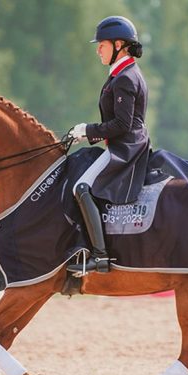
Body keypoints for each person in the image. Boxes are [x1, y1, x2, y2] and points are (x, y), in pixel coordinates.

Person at [67, 16, 151, 275]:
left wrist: (87, 130)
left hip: (125, 148)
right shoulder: (123, 74)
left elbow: (122, 125)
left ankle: (100, 256)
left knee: (82, 188)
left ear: (118, 45)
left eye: (101, 45)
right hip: (124, 143)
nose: (97, 50)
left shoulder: (125, 78)